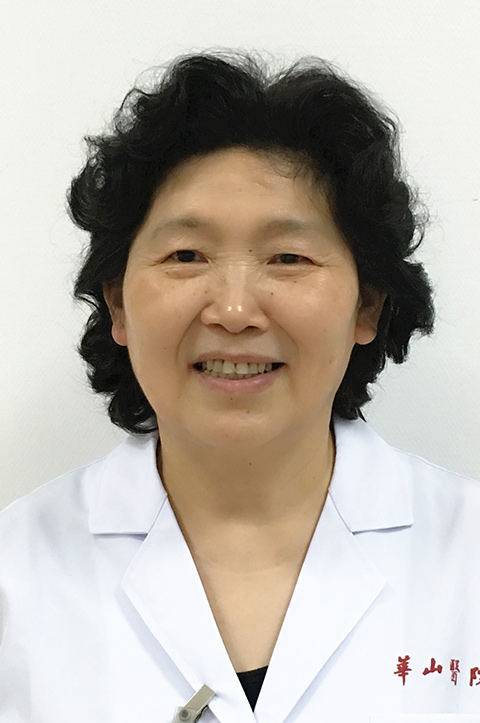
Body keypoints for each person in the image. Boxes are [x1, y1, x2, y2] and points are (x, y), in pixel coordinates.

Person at [1, 49, 479, 723]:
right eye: (185, 255)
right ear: (118, 305)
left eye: (288, 257)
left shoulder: (467, 554)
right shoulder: (15, 571)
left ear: (367, 306)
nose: (232, 310)